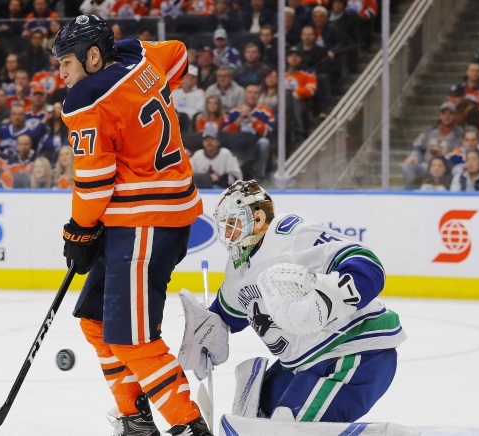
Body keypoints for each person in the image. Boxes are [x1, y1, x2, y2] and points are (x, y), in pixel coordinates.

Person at [52, 14, 207, 436]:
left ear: (94, 55)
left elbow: (94, 181)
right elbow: (178, 54)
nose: (61, 73)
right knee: (96, 321)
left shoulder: (86, 99)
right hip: (148, 220)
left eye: (66, 62)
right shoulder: (141, 57)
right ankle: (135, 419)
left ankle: (189, 425)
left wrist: (79, 230)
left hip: (145, 224)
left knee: (132, 339)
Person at [178, 179, 406, 425]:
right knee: (257, 418)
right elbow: (226, 315)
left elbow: (367, 265)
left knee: (288, 425)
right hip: (302, 363)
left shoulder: (290, 233)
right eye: (226, 226)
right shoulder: (237, 270)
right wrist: (208, 331)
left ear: (257, 219)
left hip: (356, 350)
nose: (228, 234)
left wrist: (326, 299)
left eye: (233, 223)